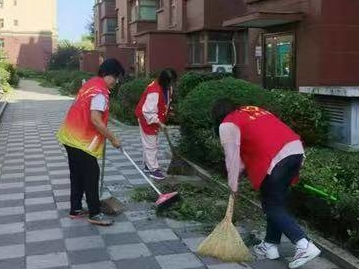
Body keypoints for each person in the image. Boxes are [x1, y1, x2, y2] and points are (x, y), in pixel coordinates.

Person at [211, 99, 321, 269]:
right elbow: (243, 159)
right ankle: (270, 245)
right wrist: (238, 175)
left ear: (218, 116)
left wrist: (233, 186)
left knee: (271, 205)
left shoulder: (227, 123)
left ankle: (304, 245)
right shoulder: (252, 110)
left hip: (276, 158)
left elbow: (232, 160)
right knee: (275, 202)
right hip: (296, 151)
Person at [57, 58, 124, 226]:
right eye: (116, 78)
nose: (117, 82)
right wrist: (113, 138)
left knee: (77, 174)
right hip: (81, 140)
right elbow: (96, 119)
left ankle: (76, 209)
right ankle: (95, 213)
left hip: (69, 135)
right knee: (91, 174)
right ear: (110, 75)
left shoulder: (90, 84)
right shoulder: (100, 92)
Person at [135, 68, 177, 180]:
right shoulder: (154, 90)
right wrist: (159, 123)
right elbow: (148, 111)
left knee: (150, 143)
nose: (172, 84)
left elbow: (164, 101)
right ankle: (154, 169)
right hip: (146, 118)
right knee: (151, 145)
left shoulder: (167, 88)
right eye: (170, 82)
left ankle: (147, 166)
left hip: (153, 117)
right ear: (164, 81)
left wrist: (169, 110)